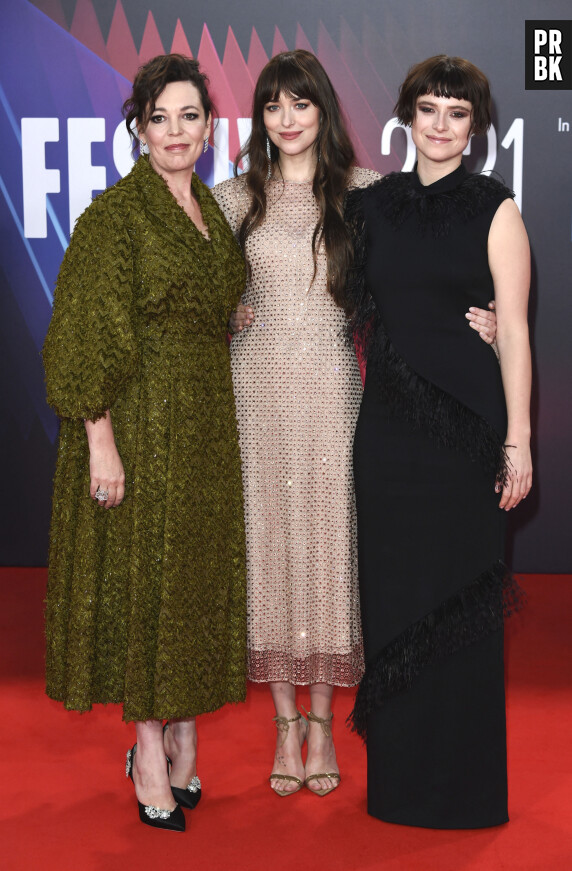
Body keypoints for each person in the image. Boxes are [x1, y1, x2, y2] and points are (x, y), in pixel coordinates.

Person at [213, 49, 498, 798]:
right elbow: (195, 289)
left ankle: (322, 722)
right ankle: (283, 727)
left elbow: (434, 259)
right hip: (257, 396)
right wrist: (223, 313)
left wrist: (494, 313)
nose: (287, 119)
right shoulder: (232, 198)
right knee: (271, 549)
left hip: (340, 394)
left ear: (324, 112)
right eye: (273, 105)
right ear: (260, 118)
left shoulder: (367, 195)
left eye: (300, 104)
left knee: (333, 551)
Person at [43, 54, 247, 832]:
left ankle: (183, 723)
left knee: (191, 576)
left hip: (203, 427)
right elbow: (83, 335)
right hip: (137, 422)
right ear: (138, 127)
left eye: (189, 115)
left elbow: (211, 294)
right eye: (159, 117)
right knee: (144, 581)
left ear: (208, 126)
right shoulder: (115, 218)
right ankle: (147, 749)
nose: (175, 131)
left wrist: (233, 314)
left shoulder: (209, 211)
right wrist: (100, 439)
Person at [344, 55, 532, 828]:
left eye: (458, 112)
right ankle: (399, 785)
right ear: (407, 118)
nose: (443, 125)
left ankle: (465, 789)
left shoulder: (496, 207)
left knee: (464, 603)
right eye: (430, 109)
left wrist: (519, 441)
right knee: (392, 602)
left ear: (476, 126)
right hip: (387, 434)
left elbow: (515, 328)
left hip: (466, 432)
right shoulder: (372, 206)